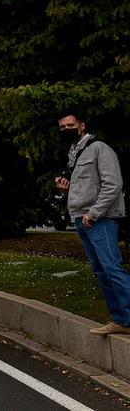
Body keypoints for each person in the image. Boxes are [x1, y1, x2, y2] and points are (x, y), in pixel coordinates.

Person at [55, 111, 130, 335]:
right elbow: (88, 187)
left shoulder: (100, 149)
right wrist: (66, 188)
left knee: (112, 267)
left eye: (70, 125)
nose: (66, 130)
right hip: (81, 217)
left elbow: (113, 185)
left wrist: (94, 213)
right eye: (62, 127)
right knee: (101, 270)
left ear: (82, 125)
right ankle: (120, 320)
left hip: (99, 219)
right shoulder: (74, 153)